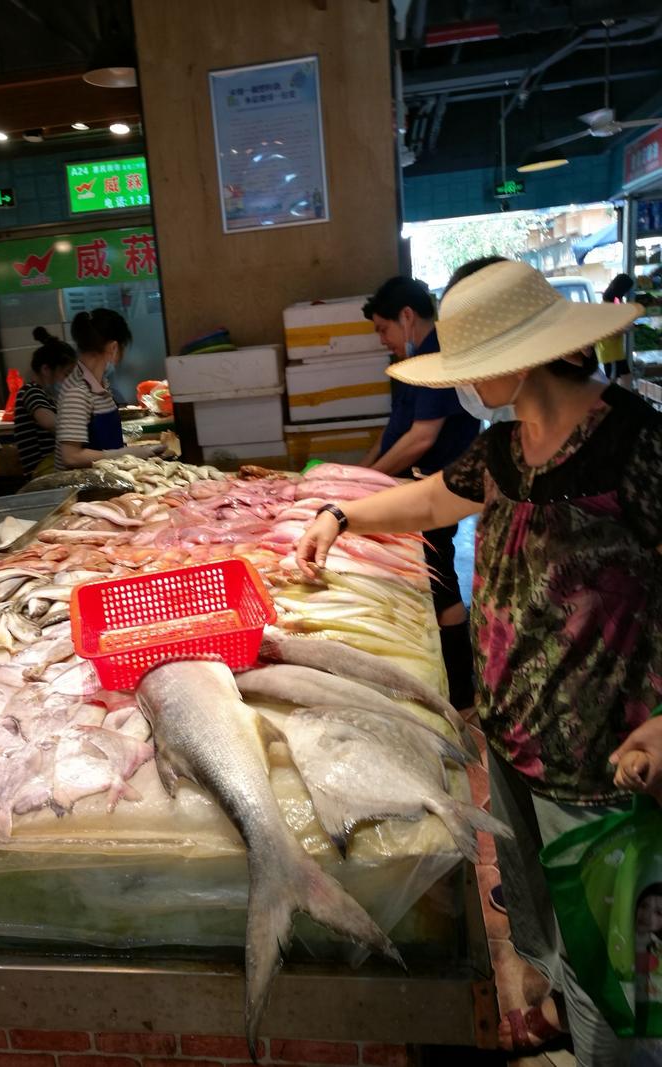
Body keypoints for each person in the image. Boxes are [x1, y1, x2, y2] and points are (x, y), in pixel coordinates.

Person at [296, 260, 662, 1067]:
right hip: (512, 738)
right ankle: (563, 1007)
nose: (462, 383)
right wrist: (342, 513)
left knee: (620, 965)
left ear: (520, 357)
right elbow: (432, 499)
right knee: (539, 913)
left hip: (604, 758)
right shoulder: (504, 448)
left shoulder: (636, 443)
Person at [359, 276, 481, 709]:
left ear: (407, 316)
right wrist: (358, 474)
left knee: (443, 585)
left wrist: (366, 487)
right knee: (438, 581)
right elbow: (396, 433)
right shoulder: (413, 363)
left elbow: (420, 439)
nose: (382, 339)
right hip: (418, 485)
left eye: (383, 328)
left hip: (437, 488)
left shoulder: (434, 359)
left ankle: (462, 696)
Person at [55, 308, 161, 470]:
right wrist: (126, 454)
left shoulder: (100, 383)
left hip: (106, 475)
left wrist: (131, 451)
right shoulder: (76, 392)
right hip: (84, 487)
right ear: (113, 348)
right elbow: (71, 457)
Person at [14, 327, 76, 478]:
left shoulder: (50, 396)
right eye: (66, 374)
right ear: (46, 369)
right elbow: (49, 422)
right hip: (42, 473)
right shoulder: (31, 391)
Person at [596, 273, 634, 388]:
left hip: (615, 351)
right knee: (614, 380)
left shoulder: (614, 300)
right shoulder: (608, 307)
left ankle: (620, 401)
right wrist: (626, 328)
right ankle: (615, 403)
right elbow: (610, 333)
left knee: (624, 377)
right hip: (610, 351)